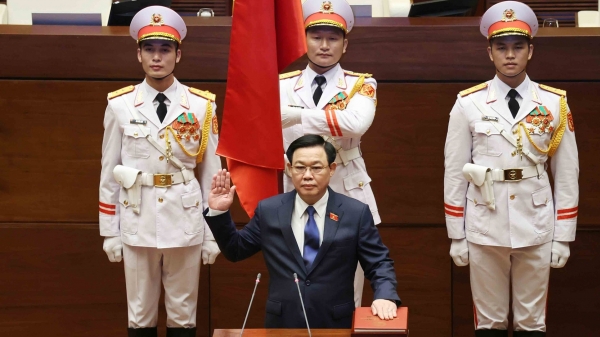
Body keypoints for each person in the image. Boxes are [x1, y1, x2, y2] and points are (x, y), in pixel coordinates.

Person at [443, 2, 579, 336]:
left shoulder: (552, 103)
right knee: (489, 321)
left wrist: (564, 236)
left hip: (536, 221)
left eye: (518, 47)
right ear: (489, 52)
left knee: (532, 322)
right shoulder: (468, 103)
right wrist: (456, 234)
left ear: (530, 50)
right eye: (501, 47)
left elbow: (566, 173)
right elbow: (454, 171)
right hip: (484, 222)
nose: (510, 55)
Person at [98, 6, 222, 337]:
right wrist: (109, 230)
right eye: (149, 49)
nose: (157, 57)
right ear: (138, 54)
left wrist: (214, 232)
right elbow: (109, 171)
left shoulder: (200, 105)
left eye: (165, 49)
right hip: (137, 217)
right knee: (140, 314)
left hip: (186, 218)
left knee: (184, 314)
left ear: (178, 54)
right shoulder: (120, 104)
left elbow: (212, 172)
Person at [204, 135, 401, 328]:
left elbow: (379, 263)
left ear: (331, 169)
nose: (307, 175)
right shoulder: (270, 211)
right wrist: (218, 212)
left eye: (316, 167)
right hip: (283, 324)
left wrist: (385, 296)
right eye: (300, 167)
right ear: (289, 169)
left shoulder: (355, 213)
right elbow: (235, 250)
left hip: (335, 323)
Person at [279, 0, 379, 308]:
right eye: (316, 36)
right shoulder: (280, 85)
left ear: (345, 44)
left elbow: (355, 123)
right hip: (298, 194)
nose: (324, 45)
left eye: (333, 38)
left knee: (348, 295)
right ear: (303, 38)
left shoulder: (361, 84)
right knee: (300, 292)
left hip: (347, 192)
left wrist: (296, 115)